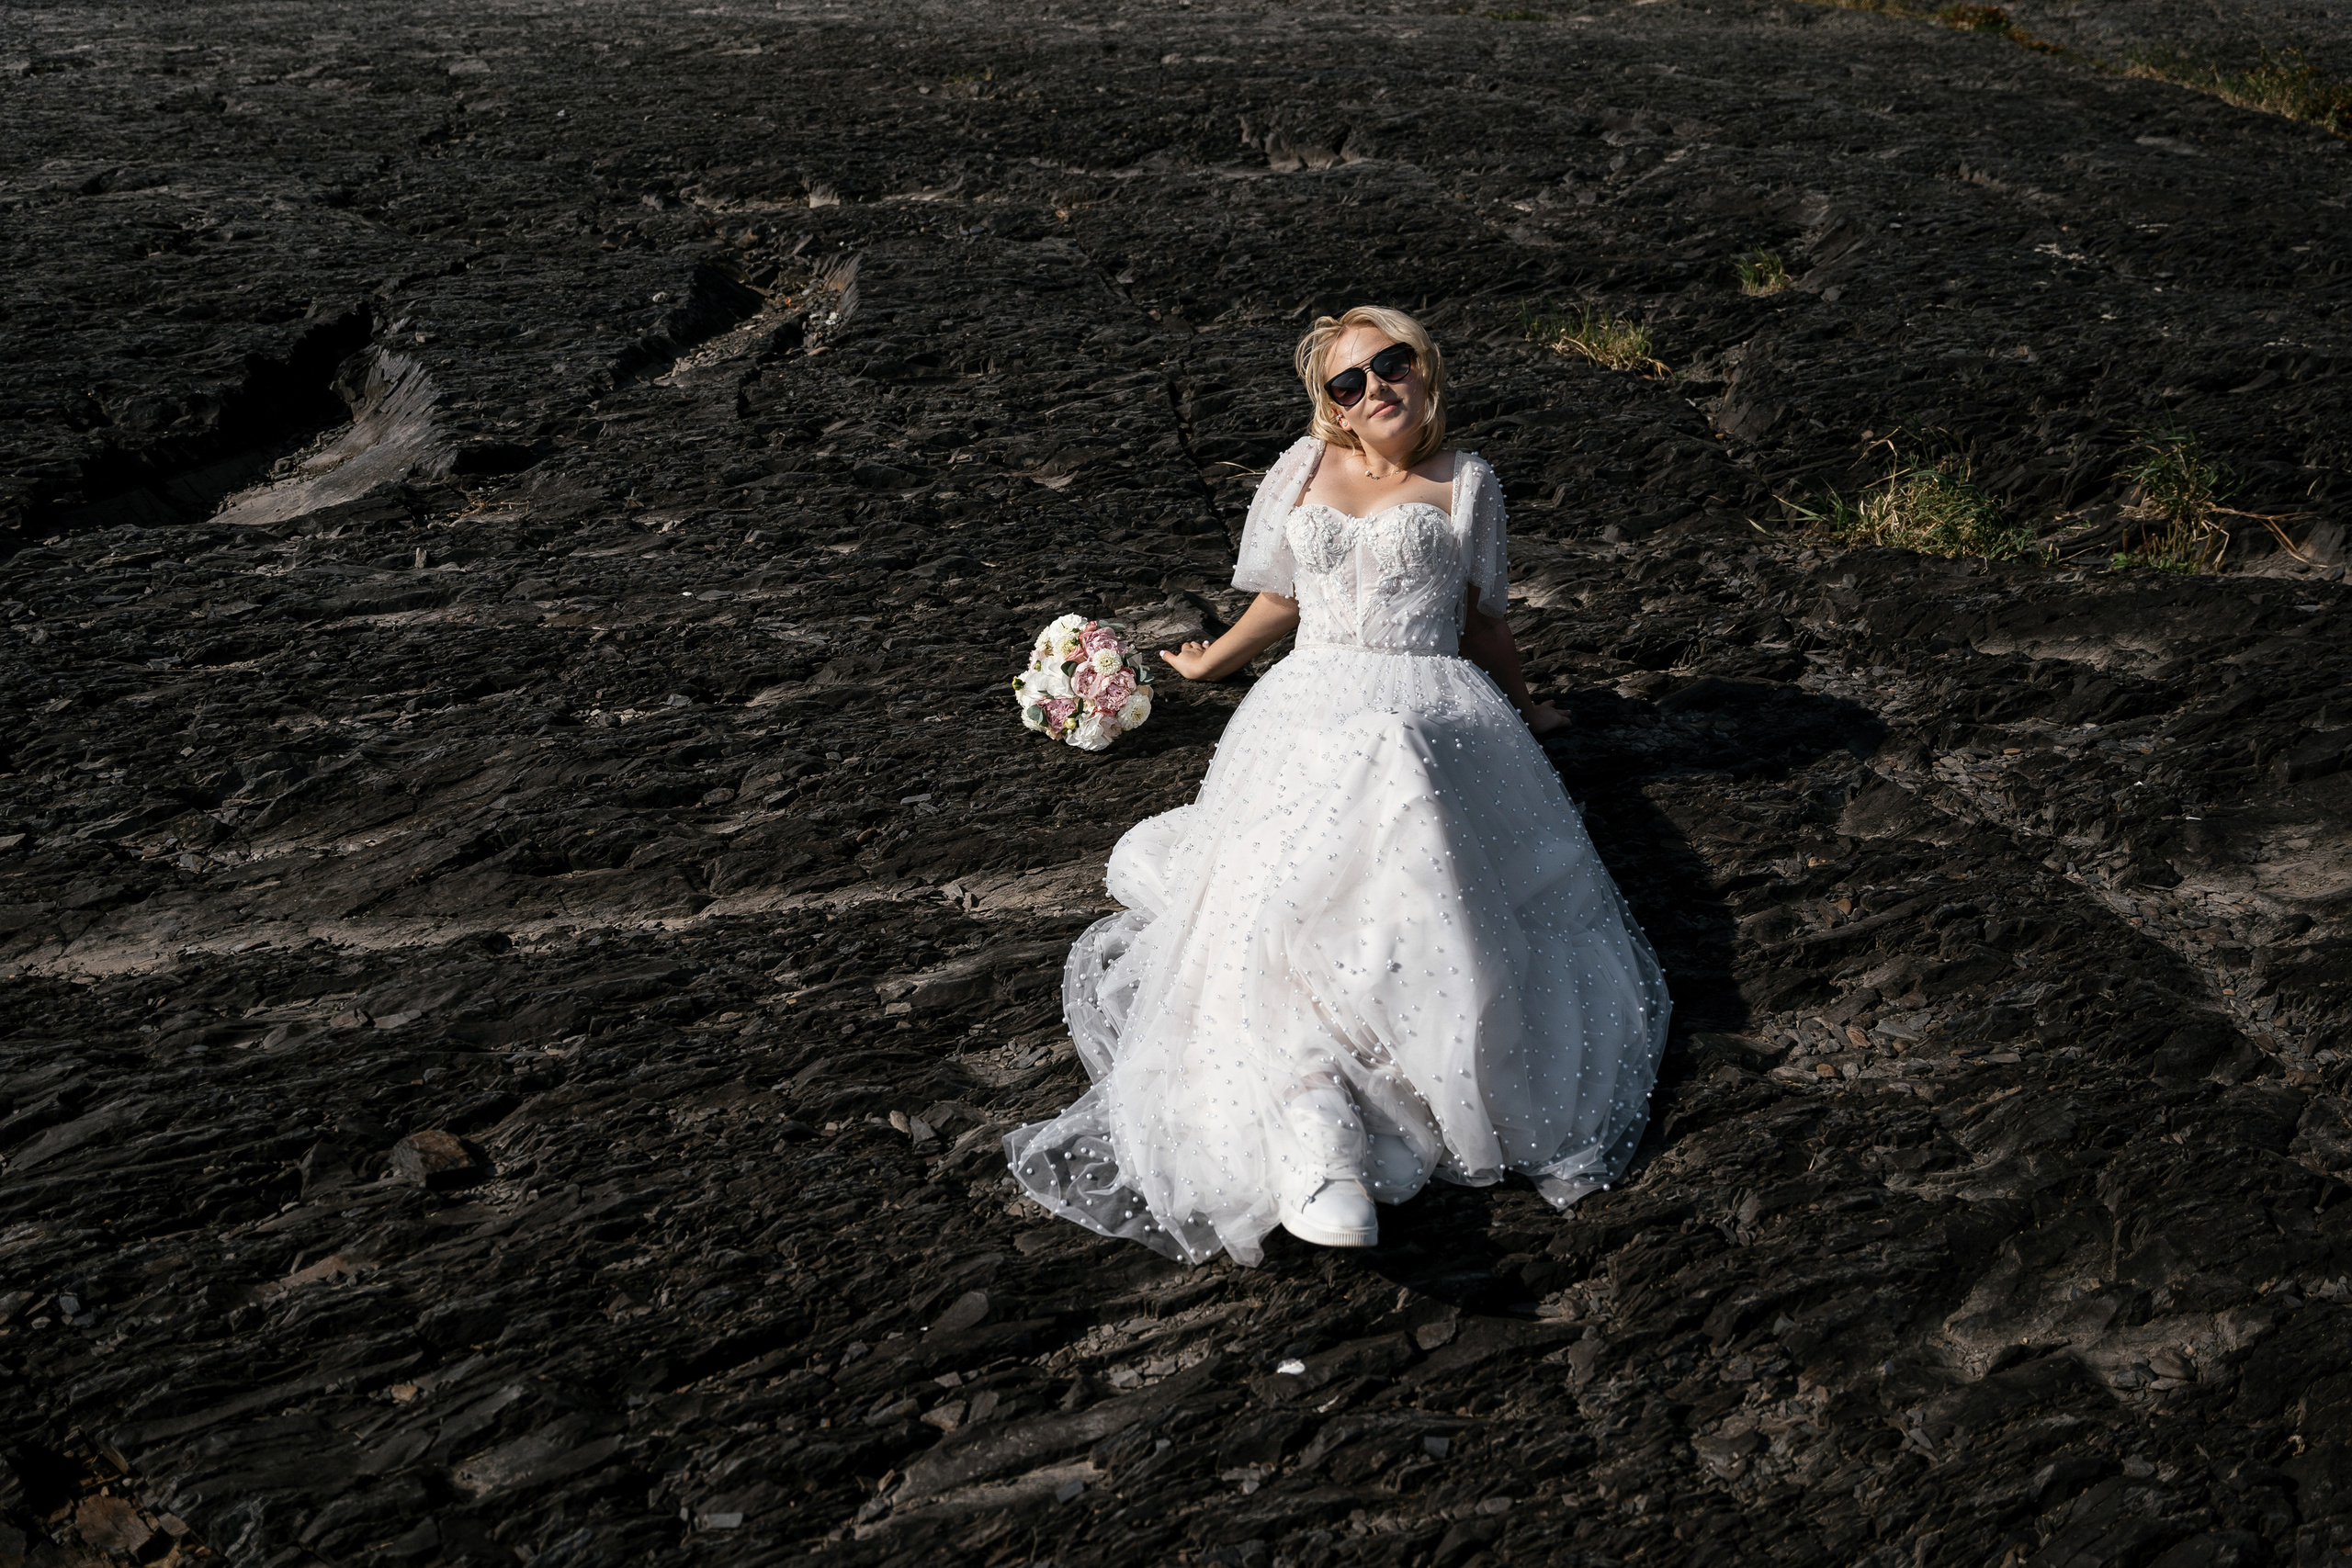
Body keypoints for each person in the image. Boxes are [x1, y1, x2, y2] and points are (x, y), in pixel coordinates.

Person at [1003, 305, 1671, 1264]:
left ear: (1424, 370)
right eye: (1346, 383)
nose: (1373, 389)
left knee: (1387, 760)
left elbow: (1482, 621)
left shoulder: (1466, 481)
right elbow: (1282, 595)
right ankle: (1313, 1120)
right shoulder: (1306, 469)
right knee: (1275, 894)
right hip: (1303, 694)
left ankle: (1331, 1113)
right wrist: (1212, 666)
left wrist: (1529, 708)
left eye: (1389, 365)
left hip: (1427, 695)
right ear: (1333, 409)